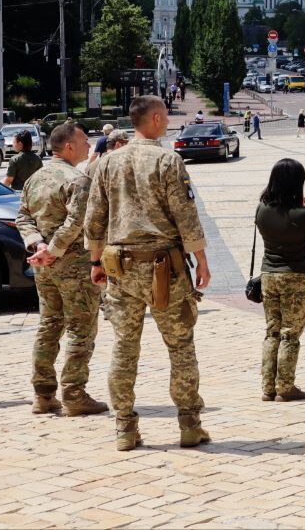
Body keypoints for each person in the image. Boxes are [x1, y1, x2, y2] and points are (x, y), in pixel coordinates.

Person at [84, 95, 212, 451]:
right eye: (166, 117)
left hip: (120, 267)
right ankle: (189, 424)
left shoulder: (108, 163)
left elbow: (94, 216)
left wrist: (95, 262)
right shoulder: (168, 161)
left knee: (124, 348)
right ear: (155, 119)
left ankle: (124, 428)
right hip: (164, 268)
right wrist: (200, 260)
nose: (168, 122)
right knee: (180, 346)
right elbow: (185, 215)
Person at [15, 123, 108, 417]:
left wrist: (37, 245)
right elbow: (77, 222)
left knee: (49, 325)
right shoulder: (78, 180)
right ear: (68, 146)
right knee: (81, 327)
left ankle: (43, 395)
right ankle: (74, 394)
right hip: (74, 267)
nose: (89, 145)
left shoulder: (35, 179)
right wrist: (52, 251)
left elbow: (22, 217)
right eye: (83, 140)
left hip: (44, 266)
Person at [255, 158, 305, 402]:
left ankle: (268, 386)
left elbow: (282, 215)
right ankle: (286, 387)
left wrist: (303, 207)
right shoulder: (303, 214)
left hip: (269, 275)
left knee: (272, 332)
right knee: (290, 334)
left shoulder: (262, 209)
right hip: (295, 276)